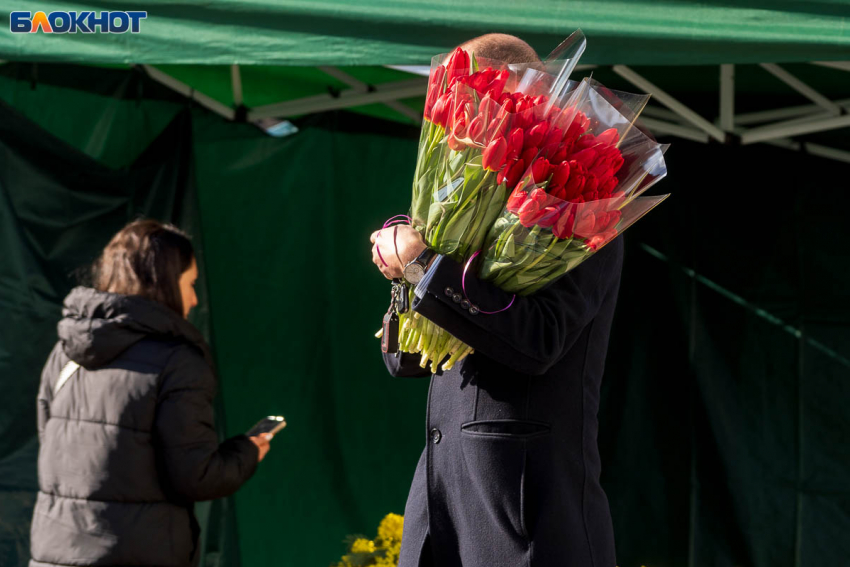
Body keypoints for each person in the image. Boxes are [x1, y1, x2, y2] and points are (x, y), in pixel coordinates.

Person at [370, 34, 623, 567]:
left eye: (469, 98)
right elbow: (406, 362)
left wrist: (426, 267)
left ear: (515, 93)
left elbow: (540, 340)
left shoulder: (579, 201)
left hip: (523, 519)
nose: (458, 119)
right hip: (442, 510)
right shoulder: (463, 194)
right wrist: (404, 271)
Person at [30, 219, 269, 567]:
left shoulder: (64, 353)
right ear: (166, 284)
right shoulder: (178, 361)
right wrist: (247, 451)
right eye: (189, 284)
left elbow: (51, 446)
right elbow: (195, 476)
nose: (194, 299)